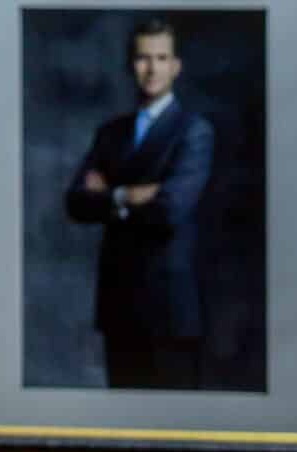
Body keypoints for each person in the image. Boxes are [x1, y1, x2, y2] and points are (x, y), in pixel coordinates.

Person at [64, 17, 215, 389]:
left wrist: (109, 193)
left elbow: (169, 210)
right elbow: (76, 203)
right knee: (123, 427)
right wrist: (127, 194)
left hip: (169, 309)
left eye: (161, 58)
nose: (152, 69)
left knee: (175, 428)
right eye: (143, 58)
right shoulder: (110, 133)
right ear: (131, 65)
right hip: (119, 304)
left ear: (175, 66)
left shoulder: (194, 131)